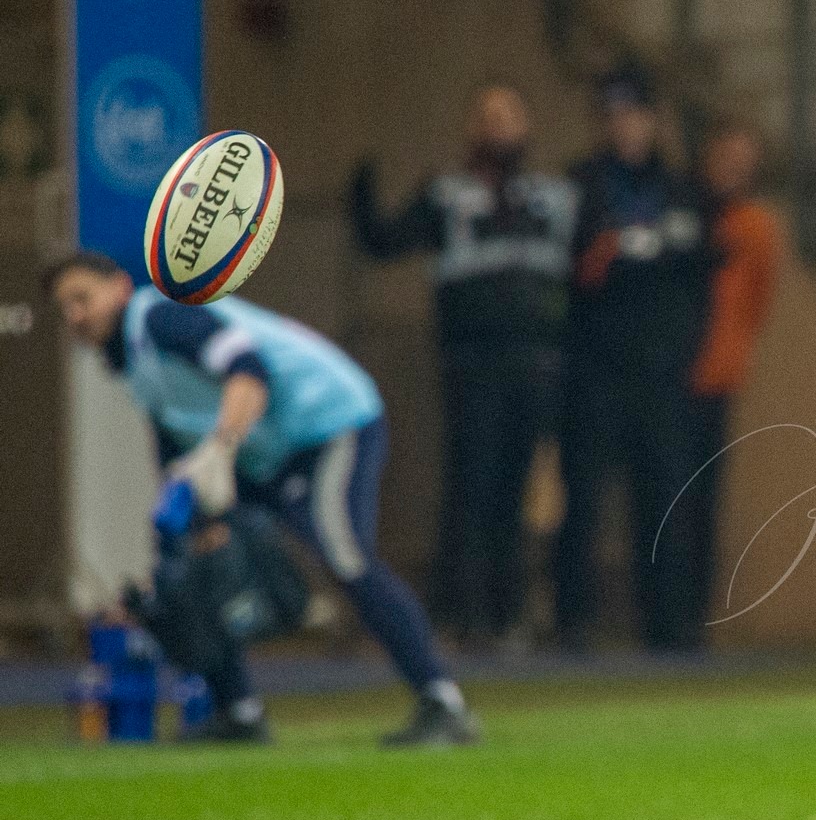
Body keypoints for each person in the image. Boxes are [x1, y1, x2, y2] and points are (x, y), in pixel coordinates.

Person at [46, 252, 480, 747]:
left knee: (346, 556)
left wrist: (222, 447)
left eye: (82, 298)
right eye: (65, 307)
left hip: (327, 425)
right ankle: (239, 713)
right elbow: (174, 438)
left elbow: (249, 369)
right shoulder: (131, 356)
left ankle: (443, 702)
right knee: (194, 559)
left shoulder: (161, 314)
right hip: (263, 449)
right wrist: (191, 515)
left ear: (121, 286)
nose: (75, 315)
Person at [351, 83, 577, 649]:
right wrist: (361, 180)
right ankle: (462, 615)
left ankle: (511, 616)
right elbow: (381, 241)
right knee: (470, 485)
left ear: (527, 127)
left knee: (519, 490)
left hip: (537, 363)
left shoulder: (554, 197)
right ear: (471, 128)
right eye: (488, 117)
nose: (499, 127)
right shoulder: (447, 195)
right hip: (471, 363)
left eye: (510, 115)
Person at [555, 62, 721, 652]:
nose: (625, 127)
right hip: (596, 370)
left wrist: (690, 354)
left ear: (652, 120)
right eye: (614, 117)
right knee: (583, 500)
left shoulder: (681, 190)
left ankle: (668, 626)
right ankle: (572, 622)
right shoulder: (579, 186)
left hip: (663, 373)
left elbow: (703, 274)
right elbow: (568, 273)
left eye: (634, 115)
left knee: (666, 501)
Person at [678, 115, 782, 629]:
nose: (733, 169)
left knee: (702, 503)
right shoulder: (682, 211)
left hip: (715, 380)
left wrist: (732, 358)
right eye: (726, 157)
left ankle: (691, 621)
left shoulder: (756, 227)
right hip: (664, 378)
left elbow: (757, 302)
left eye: (744, 160)